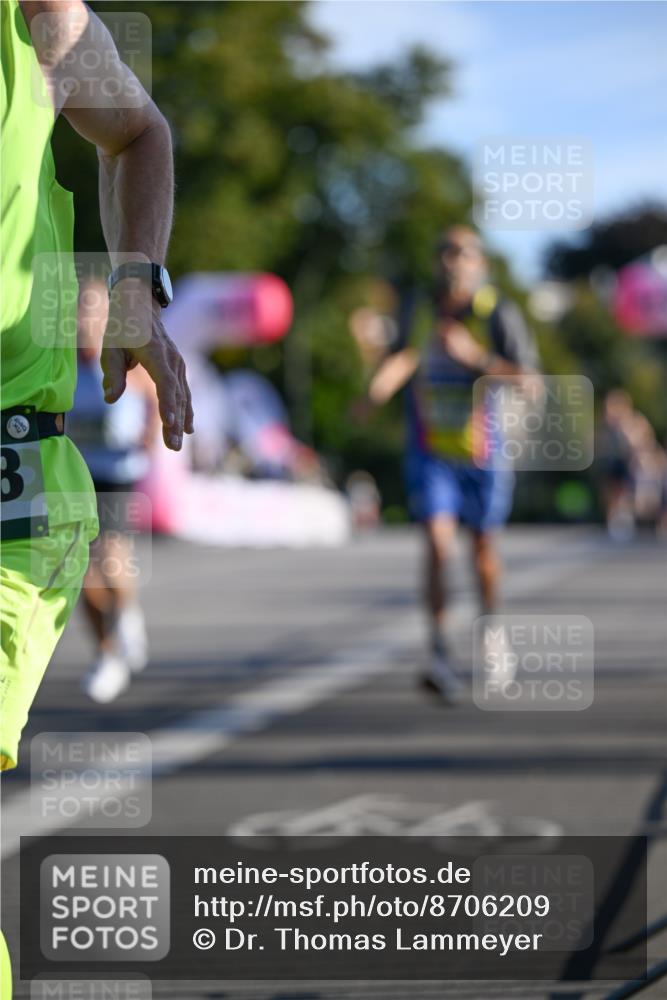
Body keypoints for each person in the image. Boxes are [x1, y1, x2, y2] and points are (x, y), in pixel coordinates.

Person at [0, 3, 193, 994]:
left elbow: (137, 131)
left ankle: (119, 637)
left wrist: (132, 293)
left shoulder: (38, 24)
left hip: (17, 478)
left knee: (114, 563)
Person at [367, 225, 538, 701]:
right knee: (437, 545)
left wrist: (476, 356)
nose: (452, 260)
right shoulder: (420, 308)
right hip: (430, 448)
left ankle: (492, 631)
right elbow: (401, 356)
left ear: (480, 262)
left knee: (483, 548)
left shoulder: (498, 312)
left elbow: (530, 381)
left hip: (483, 448)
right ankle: (439, 652)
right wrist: (374, 391)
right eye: (445, 250)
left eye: (463, 252)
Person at [70, 279, 160, 702]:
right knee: (79, 571)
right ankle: (106, 654)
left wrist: (149, 432)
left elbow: (153, 394)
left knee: (111, 555)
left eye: (92, 308)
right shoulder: (59, 362)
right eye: (78, 308)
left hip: (118, 470)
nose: (83, 317)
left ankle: (126, 614)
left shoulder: (127, 357)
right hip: (75, 473)